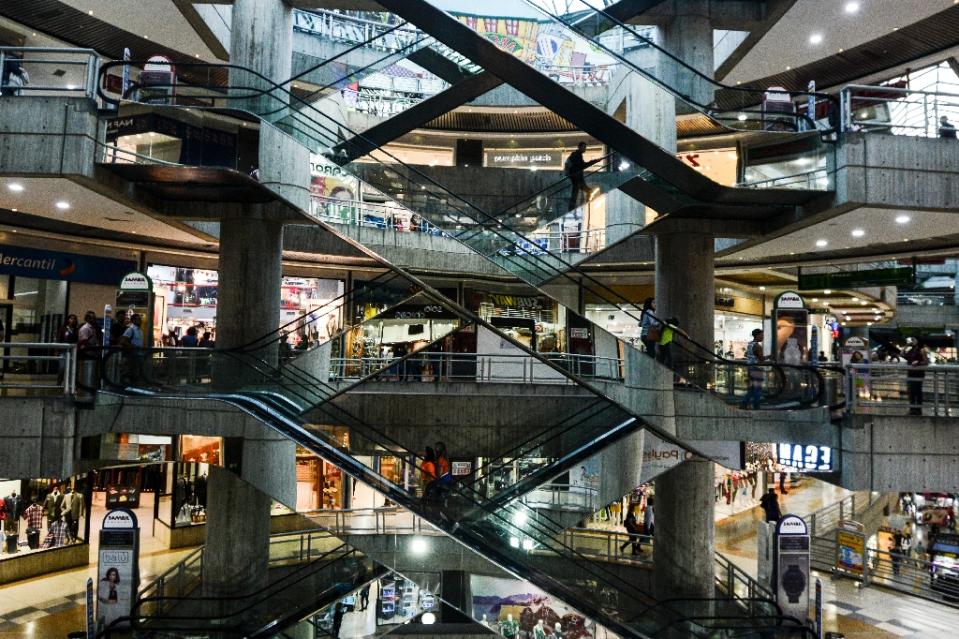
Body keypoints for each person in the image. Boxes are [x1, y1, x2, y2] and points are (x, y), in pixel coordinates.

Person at [741, 328, 766, 410]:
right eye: (761, 335)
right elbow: (761, 358)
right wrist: (770, 356)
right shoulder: (758, 346)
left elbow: (746, 354)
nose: (763, 337)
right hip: (757, 369)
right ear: (757, 335)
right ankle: (756, 406)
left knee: (751, 389)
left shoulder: (750, 344)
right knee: (757, 389)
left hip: (750, 368)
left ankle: (744, 404)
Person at [564, 141, 592, 211]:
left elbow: (581, 165)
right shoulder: (576, 155)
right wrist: (592, 162)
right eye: (584, 147)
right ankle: (586, 206)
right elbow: (581, 166)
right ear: (579, 147)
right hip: (577, 178)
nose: (585, 149)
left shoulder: (577, 155)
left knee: (576, 194)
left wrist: (592, 162)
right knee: (576, 194)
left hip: (577, 178)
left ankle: (573, 208)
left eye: (585, 147)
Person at [904, 337, 929, 415]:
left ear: (918, 340)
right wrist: (906, 345)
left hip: (918, 373)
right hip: (911, 373)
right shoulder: (911, 349)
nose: (912, 341)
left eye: (914, 339)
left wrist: (918, 362)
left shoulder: (922, 350)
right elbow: (902, 354)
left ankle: (918, 409)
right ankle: (912, 408)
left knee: (917, 392)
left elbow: (926, 362)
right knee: (911, 391)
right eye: (912, 340)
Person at [119, 314, 145, 383]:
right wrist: (133, 346)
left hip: (139, 355)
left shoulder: (140, 331)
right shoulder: (130, 330)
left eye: (140, 319)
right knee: (130, 373)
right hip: (131, 356)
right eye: (137, 319)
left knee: (136, 374)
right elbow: (123, 341)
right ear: (133, 321)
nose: (140, 321)